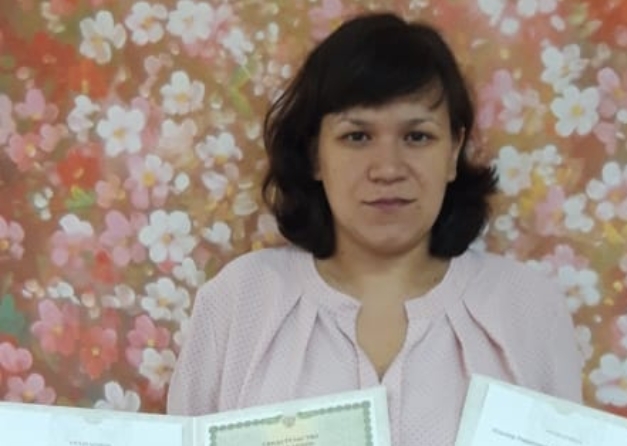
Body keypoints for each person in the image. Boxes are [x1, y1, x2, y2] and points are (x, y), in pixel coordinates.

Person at [166, 11, 583, 445]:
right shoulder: (238, 302)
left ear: (453, 151)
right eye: (357, 137)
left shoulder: (528, 309)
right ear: (314, 154)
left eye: (417, 137)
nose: (387, 169)